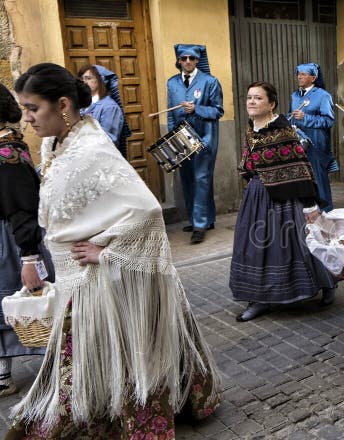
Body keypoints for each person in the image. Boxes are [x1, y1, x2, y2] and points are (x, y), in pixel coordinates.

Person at [9, 63, 220, 438]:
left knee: (121, 352)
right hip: (74, 275)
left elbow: (147, 209)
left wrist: (106, 250)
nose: (26, 119)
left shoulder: (91, 148)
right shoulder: (55, 142)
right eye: (23, 108)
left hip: (98, 276)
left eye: (32, 108)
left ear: (62, 105)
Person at [230, 81, 336, 322]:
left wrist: (310, 205)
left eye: (258, 98)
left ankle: (327, 282)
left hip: (285, 196)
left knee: (298, 244)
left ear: (272, 104)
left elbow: (300, 167)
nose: (251, 102)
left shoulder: (282, 129)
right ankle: (260, 299)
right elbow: (249, 161)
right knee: (254, 247)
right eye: (249, 97)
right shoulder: (250, 127)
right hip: (257, 195)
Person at [0, 83, 54, 398]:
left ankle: (56, 364)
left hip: (13, 241)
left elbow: (22, 207)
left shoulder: (9, 152)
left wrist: (29, 256)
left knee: (29, 300)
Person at [167, 44, 224, 244]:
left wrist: (197, 109)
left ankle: (199, 225)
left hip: (205, 137)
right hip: (182, 138)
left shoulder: (210, 82)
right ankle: (201, 219)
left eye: (192, 58)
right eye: (184, 59)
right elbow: (170, 112)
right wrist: (171, 137)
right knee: (188, 179)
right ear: (179, 61)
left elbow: (218, 111)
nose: (188, 62)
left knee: (201, 178)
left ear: (198, 60)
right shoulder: (172, 83)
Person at [289, 62, 336, 212]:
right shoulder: (295, 95)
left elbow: (328, 120)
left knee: (319, 177)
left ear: (313, 77)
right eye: (298, 74)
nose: (299, 77)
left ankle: (325, 210)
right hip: (299, 142)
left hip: (316, 143)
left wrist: (305, 117)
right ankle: (306, 211)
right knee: (302, 177)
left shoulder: (323, 96)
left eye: (303, 74)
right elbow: (292, 116)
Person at [77, 65, 129, 156]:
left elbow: (109, 140)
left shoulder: (109, 107)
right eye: (82, 79)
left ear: (101, 81)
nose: (84, 82)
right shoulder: (83, 106)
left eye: (88, 78)